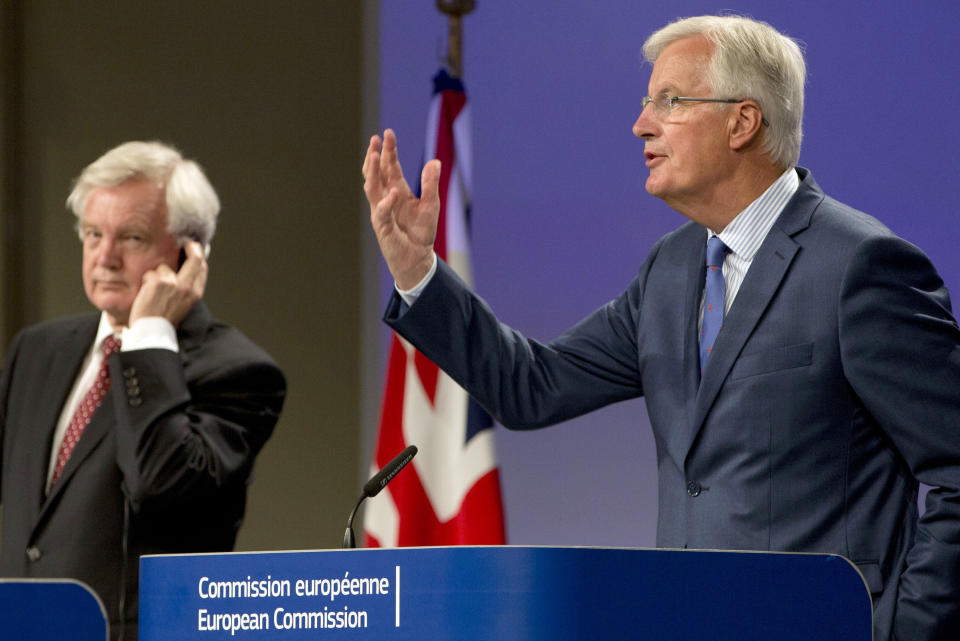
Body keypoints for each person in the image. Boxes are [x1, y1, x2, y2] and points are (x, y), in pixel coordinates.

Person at [363, 15, 960, 641]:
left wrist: (902, 632)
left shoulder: (860, 266)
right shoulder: (671, 272)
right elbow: (529, 386)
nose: (641, 123)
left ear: (742, 121)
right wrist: (420, 275)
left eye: (669, 101)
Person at [0, 141, 286, 641]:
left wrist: (149, 335)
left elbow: (160, 483)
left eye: (131, 238)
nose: (105, 257)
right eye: (92, 234)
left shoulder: (239, 371)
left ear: (186, 253)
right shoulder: (37, 350)